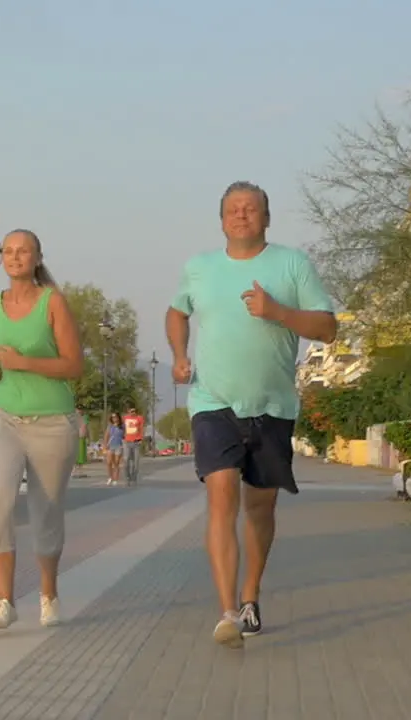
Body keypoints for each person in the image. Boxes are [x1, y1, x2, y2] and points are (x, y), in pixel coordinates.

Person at [166, 181, 336, 649]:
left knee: (259, 508)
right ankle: (226, 613)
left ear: (266, 217)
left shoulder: (292, 264)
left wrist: (278, 311)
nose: (241, 215)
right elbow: (176, 313)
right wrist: (179, 354)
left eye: (251, 209)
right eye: (232, 209)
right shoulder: (199, 269)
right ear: (221, 219)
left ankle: (249, 595)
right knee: (221, 495)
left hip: (273, 407)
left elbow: (327, 328)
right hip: (212, 402)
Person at [0, 229, 83, 630]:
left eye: (24, 251)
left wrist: (24, 363)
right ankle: (4, 600)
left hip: (52, 421)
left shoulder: (53, 302)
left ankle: (48, 593)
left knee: (46, 511)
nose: (16, 257)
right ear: (2, 258)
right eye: (10, 251)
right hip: (2, 417)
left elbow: (74, 365)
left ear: (37, 258)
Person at [121, 407, 145, 484]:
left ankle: (134, 477)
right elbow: (121, 427)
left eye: (134, 411)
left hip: (136, 442)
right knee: (126, 460)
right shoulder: (125, 418)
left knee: (136, 461)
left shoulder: (139, 418)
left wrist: (141, 439)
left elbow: (141, 429)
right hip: (127, 442)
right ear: (128, 411)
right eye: (131, 411)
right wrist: (122, 437)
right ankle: (127, 476)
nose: (133, 412)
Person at [103, 412, 125, 485]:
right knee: (109, 462)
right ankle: (110, 477)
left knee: (116, 463)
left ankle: (115, 479)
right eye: (113, 417)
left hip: (118, 446)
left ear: (118, 417)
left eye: (115, 417)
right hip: (110, 446)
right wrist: (105, 445)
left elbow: (125, 435)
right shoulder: (110, 426)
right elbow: (106, 436)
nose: (114, 418)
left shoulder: (122, 426)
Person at [73, 408, 89, 478]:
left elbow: (86, 428)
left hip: (82, 437)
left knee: (81, 454)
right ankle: (74, 470)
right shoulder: (73, 418)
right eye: (77, 410)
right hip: (75, 437)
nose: (79, 412)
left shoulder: (85, 418)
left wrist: (88, 437)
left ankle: (80, 470)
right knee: (75, 453)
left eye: (80, 410)